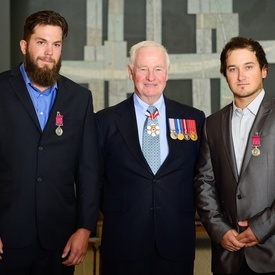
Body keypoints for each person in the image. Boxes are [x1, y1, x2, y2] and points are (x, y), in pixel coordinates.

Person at [0, 10, 99, 275]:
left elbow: (88, 169)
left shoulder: (79, 99)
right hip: (7, 240)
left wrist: (84, 229)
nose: (48, 52)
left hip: (60, 242)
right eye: (41, 42)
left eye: (56, 45)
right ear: (24, 45)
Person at [95, 40, 205, 275]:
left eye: (158, 69)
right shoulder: (104, 121)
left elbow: (202, 177)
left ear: (167, 73)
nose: (150, 77)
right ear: (130, 72)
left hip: (176, 244)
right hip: (123, 244)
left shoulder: (194, 119)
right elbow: (93, 179)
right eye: (143, 68)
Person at [194, 36, 275, 275]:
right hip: (228, 255)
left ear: (263, 71)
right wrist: (219, 230)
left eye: (248, 66)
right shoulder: (212, 124)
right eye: (233, 68)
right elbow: (203, 183)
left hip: (270, 252)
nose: (241, 76)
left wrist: (261, 227)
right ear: (225, 74)